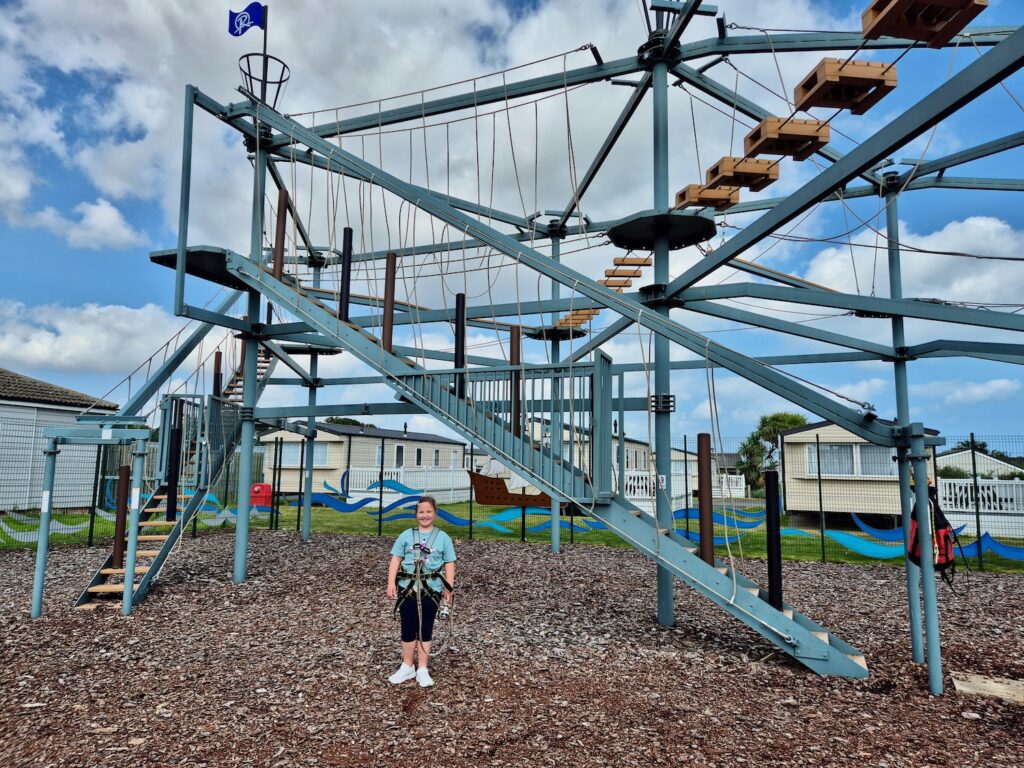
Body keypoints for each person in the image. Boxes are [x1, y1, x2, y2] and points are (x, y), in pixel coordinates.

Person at [386, 496, 456, 688]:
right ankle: (407, 665)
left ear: (435, 513)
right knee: (408, 626)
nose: (424, 515)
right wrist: (391, 582)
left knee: (426, 626)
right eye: (421, 512)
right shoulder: (406, 535)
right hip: (407, 588)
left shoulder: (443, 538)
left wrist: (448, 586)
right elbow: (396, 559)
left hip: (431, 589)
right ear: (416, 514)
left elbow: (450, 563)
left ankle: (422, 668)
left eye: (428, 512)